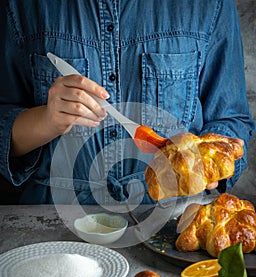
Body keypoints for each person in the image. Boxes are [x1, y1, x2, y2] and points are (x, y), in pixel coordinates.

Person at [0, 0, 255, 206]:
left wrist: (210, 163)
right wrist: (46, 120)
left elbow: (230, 119)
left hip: (173, 221)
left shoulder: (209, 5)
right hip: (54, 219)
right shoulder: (21, 6)